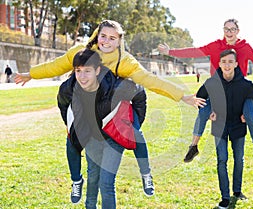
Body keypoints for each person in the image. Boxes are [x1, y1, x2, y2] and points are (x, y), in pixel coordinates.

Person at [15, 19, 205, 203]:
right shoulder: (81, 52)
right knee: (75, 145)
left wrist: (181, 95)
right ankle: (77, 181)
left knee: (134, 135)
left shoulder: (125, 61)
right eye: (103, 36)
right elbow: (56, 65)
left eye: (112, 38)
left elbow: (150, 80)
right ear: (97, 35)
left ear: (119, 41)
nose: (106, 41)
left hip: (115, 112)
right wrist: (31, 74)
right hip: (90, 112)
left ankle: (145, 173)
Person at [158, 18, 253, 172]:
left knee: (250, 116)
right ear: (223, 30)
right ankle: (194, 146)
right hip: (218, 91)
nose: (229, 32)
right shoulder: (215, 46)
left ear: (238, 31)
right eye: (226, 29)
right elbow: (194, 51)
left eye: (232, 29)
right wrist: (170, 52)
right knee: (203, 111)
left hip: (240, 91)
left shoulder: (244, 47)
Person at [58, 48, 147, 209]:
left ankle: (146, 174)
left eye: (87, 71)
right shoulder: (68, 88)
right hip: (92, 137)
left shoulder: (116, 86)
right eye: (78, 71)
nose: (82, 76)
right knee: (93, 178)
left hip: (114, 138)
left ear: (97, 70)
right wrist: (74, 125)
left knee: (106, 183)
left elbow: (139, 93)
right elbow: (63, 106)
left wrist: (136, 123)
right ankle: (81, 190)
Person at [197, 49, 253, 208]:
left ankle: (237, 191)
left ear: (236, 64)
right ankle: (225, 197)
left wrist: (250, 115)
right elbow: (200, 98)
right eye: (224, 62)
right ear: (219, 64)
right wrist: (209, 111)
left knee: (239, 160)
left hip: (238, 127)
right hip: (219, 126)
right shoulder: (212, 82)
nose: (227, 65)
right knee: (222, 160)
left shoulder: (245, 84)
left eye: (230, 62)